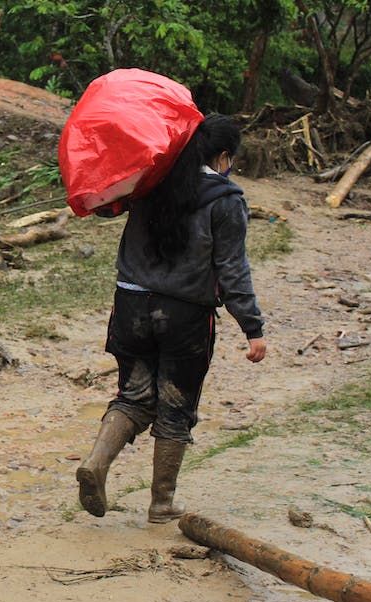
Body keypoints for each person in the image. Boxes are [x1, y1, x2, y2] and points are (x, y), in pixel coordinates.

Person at [75, 114, 266, 523]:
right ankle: (161, 504)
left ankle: (97, 462)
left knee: (133, 396)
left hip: (129, 305)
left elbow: (108, 205)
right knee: (175, 406)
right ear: (224, 156)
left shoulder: (151, 183)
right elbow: (232, 269)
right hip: (184, 315)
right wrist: (252, 327)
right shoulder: (226, 200)